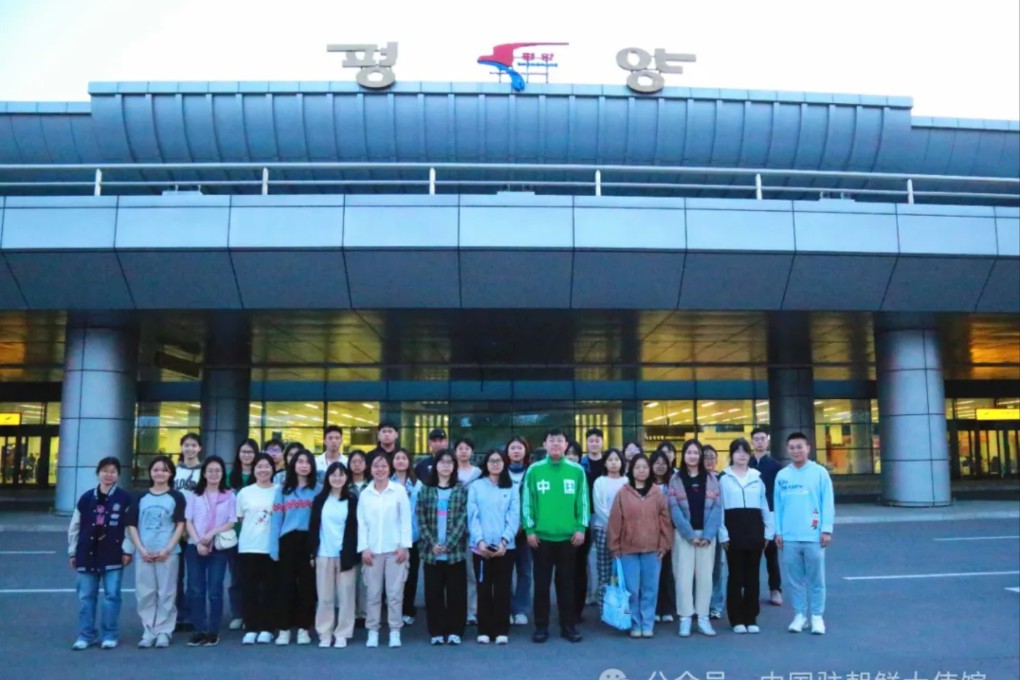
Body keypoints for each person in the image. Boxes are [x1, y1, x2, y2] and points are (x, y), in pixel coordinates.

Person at [521, 428, 589, 643]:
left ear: (566, 445)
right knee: (541, 585)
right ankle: (541, 626)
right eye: (552, 441)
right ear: (545, 444)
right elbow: (527, 502)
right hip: (541, 538)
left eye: (560, 441)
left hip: (569, 539)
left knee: (567, 584)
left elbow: (583, 501)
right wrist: (529, 530)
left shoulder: (577, 471)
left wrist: (581, 528)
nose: (556, 444)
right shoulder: (534, 470)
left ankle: (568, 626)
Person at [67, 456, 134, 650]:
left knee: (112, 595)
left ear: (118, 475)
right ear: (98, 473)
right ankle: (86, 635)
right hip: (86, 553)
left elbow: (130, 527)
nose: (108, 474)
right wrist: (72, 552)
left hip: (113, 552)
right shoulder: (87, 498)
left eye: (113, 471)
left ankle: (110, 634)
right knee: (86, 597)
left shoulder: (123, 498)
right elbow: (75, 526)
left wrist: (127, 549)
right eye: (105, 470)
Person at [774, 432, 834, 636]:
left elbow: (827, 502)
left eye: (799, 446)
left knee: (816, 579)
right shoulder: (782, 476)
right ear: (787, 449)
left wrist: (826, 529)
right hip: (789, 537)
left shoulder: (819, 473)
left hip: (813, 536)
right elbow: (778, 506)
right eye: (791, 447)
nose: (795, 451)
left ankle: (817, 616)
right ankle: (800, 615)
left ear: (808, 448)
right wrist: (778, 532)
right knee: (795, 580)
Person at [608, 454, 673, 638]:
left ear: (649, 469)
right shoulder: (623, 492)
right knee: (632, 590)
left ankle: (647, 623)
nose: (642, 470)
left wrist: (664, 544)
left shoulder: (657, 493)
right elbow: (615, 521)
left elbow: (665, 521)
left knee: (650, 589)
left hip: (653, 549)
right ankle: (634, 623)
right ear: (631, 470)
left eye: (645, 467)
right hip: (628, 550)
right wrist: (614, 546)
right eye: (637, 467)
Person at [126, 455, 186, 649]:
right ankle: (148, 631)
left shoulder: (176, 497)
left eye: (165, 470)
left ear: (171, 474)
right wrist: (141, 549)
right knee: (145, 593)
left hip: (168, 553)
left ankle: (164, 631)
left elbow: (180, 525)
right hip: (144, 552)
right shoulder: (140, 496)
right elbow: (131, 525)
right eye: (156, 469)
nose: (160, 473)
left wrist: (168, 549)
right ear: (150, 472)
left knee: (167, 593)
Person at [668, 440, 723, 638]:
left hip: (707, 536)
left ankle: (703, 618)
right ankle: (684, 618)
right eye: (689, 452)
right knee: (682, 577)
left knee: (705, 578)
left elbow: (717, 509)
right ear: (684, 455)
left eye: (696, 452)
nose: (693, 455)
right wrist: (689, 535)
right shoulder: (675, 479)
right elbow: (674, 509)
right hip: (684, 536)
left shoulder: (712, 479)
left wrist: (708, 535)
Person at [718, 437, 774, 634]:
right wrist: (723, 534)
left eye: (744, 451)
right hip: (733, 532)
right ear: (731, 455)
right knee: (735, 576)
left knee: (753, 577)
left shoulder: (757, 477)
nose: (741, 455)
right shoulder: (723, 478)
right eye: (737, 451)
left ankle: (751, 617)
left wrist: (769, 532)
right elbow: (720, 509)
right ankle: (736, 619)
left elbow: (765, 506)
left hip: (755, 531)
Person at [357, 453, 413, 648]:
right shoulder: (365, 494)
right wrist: (363, 548)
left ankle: (395, 630)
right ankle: (372, 630)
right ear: (370, 469)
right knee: (372, 593)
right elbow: (361, 523)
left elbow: (406, 520)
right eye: (376, 466)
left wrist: (403, 545)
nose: (380, 469)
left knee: (395, 593)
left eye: (383, 466)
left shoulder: (398, 491)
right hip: (372, 550)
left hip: (394, 550)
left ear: (389, 469)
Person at [417, 450, 469, 645]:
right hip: (432, 553)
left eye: (450, 462)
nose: (446, 465)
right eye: (442, 462)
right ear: (435, 466)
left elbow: (464, 517)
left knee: (456, 594)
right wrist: (433, 543)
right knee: (434, 594)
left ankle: (456, 630)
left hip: (454, 553)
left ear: (454, 466)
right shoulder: (426, 489)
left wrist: (448, 544)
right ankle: (437, 631)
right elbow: (420, 517)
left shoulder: (461, 489)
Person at [184, 455, 237, 647]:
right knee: (196, 590)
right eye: (210, 470)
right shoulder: (194, 495)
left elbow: (232, 521)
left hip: (219, 548)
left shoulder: (229, 494)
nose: (214, 474)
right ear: (204, 473)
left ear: (223, 473)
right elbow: (188, 521)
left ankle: (213, 631)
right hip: (194, 547)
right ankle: (199, 630)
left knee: (215, 590)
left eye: (218, 470)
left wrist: (212, 533)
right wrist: (198, 541)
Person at [468, 449, 520, 645]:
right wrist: (480, 541)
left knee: (502, 589)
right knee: (483, 588)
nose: (495, 464)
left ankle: (501, 630)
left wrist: (504, 541)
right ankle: (484, 629)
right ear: (486, 464)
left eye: (499, 461)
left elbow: (514, 517)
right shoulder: (476, 486)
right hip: (480, 548)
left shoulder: (511, 487)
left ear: (504, 463)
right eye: (491, 461)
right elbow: (472, 515)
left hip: (505, 548)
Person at [308, 462, 360, 648]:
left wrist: (354, 554)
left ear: (346, 477)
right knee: (324, 597)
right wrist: (312, 554)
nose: (337, 478)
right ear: (327, 478)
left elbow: (356, 529)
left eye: (341, 474)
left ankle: (343, 633)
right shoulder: (320, 500)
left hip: (345, 554)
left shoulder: (352, 499)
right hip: (323, 554)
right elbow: (313, 528)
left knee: (346, 596)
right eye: (333, 474)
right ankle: (324, 632)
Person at [269, 449, 319, 645]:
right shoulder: (282, 490)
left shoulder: (318, 489)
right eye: (300, 462)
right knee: (285, 586)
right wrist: (274, 548)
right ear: (293, 465)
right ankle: (283, 628)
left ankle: (304, 628)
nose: (303, 465)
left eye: (307, 462)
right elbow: (276, 521)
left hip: (309, 541)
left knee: (307, 587)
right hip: (287, 541)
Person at [236, 453, 278, 645]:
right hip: (248, 546)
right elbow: (241, 519)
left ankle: (268, 628)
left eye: (267, 466)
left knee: (270, 590)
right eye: (259, 466)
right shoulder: (245, 492)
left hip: (271, 547)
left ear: (273, 469)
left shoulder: (280, 491)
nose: (263, 470)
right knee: (249, 589)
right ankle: (251, 627)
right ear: (254, 470)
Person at [226, 438, 259, 630]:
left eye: (250, 452)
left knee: (256, 578)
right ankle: (238, 613)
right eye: (243, 452)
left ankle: (252, 613)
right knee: (236, 577)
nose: (247, 455)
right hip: (235, 534)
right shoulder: (230, 476)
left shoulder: (261, 476)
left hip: (256, 534)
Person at [749, 426, 783, 606]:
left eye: (763, 438)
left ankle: (775, 589)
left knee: (771, 554)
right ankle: (750, 589)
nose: (760, 442)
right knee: (750, 555)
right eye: (756, 439)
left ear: (767, 441)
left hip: (770, 513)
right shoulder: (746, 464)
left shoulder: (776, 466)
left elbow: (779, 494)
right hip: (750, 515)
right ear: (751, 442)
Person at [173, 432, 203, 631]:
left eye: (193, 445)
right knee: (175, 577)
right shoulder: (173, 472)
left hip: (195, 530)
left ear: (199, 448)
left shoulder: (204, 472)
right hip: (174, 529)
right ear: (182, 448)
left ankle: (193, 615)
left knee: (194, 577)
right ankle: (177, 615)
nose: (190, 449)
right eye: (186, 445)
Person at [591, 448, 626, 606]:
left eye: (617, 459)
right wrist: (614, 525)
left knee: (622, 571)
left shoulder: (627, 481)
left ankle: (621, 608)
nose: (613, 463)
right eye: (610, 460)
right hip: (603, 530)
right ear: (605, 463)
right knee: (604, 570)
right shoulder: (600, 482)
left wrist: (622, 526)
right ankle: (604, 608)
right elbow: (599, 508)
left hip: (626, 532)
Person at [391, 448, 421, 626]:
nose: (400, 461)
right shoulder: (387, 482)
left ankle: (408, 609)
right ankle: (393, 610)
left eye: (404, 458)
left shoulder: (417, 484)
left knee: (411, 575)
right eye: (397, 458)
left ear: (409, 462)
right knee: (393, 576)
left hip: (413, 537)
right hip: (392, 537)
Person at [565, 440, 595, 619]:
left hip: (582, 528)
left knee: (579, 568)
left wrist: (581, 527)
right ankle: (565, 607)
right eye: (568, 453)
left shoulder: (585, 474)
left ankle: (577, 609)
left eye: (574, 453)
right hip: (562, 530)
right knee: (564, 570)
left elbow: (586, 503)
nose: (571, 456)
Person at [453, 437, 481, 625]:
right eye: (460, 448)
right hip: (452, 529)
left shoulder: (479, 473)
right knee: (454, 573)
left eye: (467, 448)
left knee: (471, 572)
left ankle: (472, 610)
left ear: (472, 452)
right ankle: (455, 609)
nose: (463, 451)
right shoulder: (448, 471)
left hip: (472, 529)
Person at [505, 435, 532, 625]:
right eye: (513, 447)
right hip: (504, 531)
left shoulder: (532, 472)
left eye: (520, 448)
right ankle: (505, 608)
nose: (516, 451)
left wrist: (526, 525)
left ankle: (521, 608)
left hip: (525, 531)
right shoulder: (500, 471)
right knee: (504, 572)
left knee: (525, 571)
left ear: (525, 451)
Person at [649, 450, 675, 623]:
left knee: (667, 571)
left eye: (663, 462)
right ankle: (654, 608)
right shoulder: (645, 485)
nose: (660, 466)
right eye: (656, 462)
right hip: (650, 532)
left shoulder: (673, 484)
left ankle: (667, 608)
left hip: (669, 531)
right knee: (652, 572)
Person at [703, 445, 727, 620]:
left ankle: (716, 605)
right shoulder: (695, 479)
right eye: (706, 457)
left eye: (712, 457)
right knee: (699, 570)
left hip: (718, 530)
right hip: (699, 531)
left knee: (717, 569)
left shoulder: (723, 479)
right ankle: (700, 604)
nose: (709, 461)